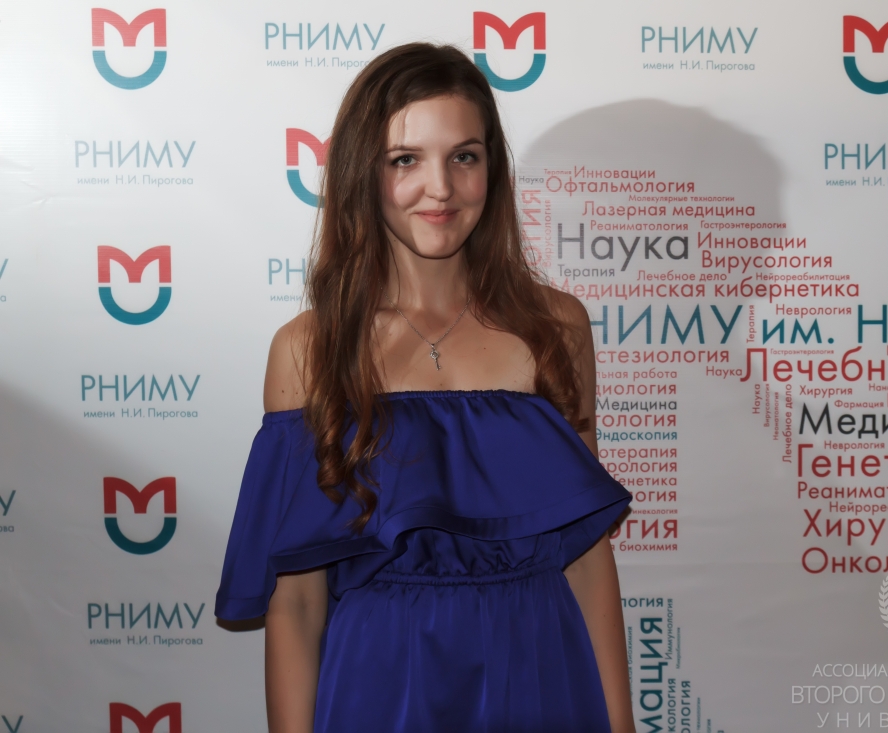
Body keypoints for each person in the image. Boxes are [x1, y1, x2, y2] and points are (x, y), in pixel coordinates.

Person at [215, 43, 635, 732]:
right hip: (379, 685)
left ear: (492, 169)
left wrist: (621, 725)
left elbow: (587, 558)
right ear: (363, 172)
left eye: (464, 156)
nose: (440, 188)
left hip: (538, 670)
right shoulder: (308, 350)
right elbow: (297, 603)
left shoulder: (556, 328)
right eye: (405, 160)